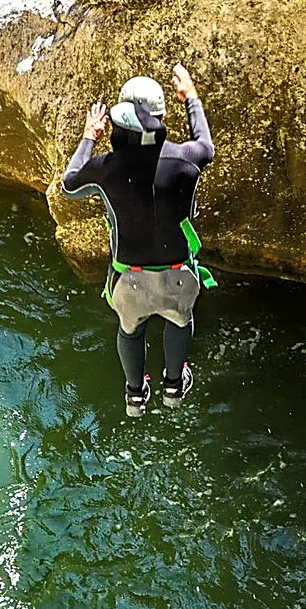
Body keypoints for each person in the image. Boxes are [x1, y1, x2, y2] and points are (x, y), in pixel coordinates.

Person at [62, 66, 217, 417]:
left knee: (130, 331)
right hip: (179, 275)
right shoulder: (186, 159)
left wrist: (89, 136)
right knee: (180, 320)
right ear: (161, 117)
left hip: (128, 278)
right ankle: (174, 388)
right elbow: (206, 144)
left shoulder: (106, 167)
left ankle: (135, 396)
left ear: (119, 122)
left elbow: (69, 185)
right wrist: (191, 98)